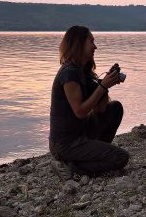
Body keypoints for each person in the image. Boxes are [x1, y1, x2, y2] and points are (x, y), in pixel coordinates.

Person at [49, 25, 129, 180]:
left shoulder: (84, 71)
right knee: (121, 158)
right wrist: (103, 85)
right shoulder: (69, 73)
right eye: (91, 42)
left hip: (81, 133)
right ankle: (71, 166)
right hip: (65, 144)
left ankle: (91, 155)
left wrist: (105, 87)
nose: (95, 47)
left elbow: (100, 109)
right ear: (78, 44)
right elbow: (79, 111)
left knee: (115, 108)